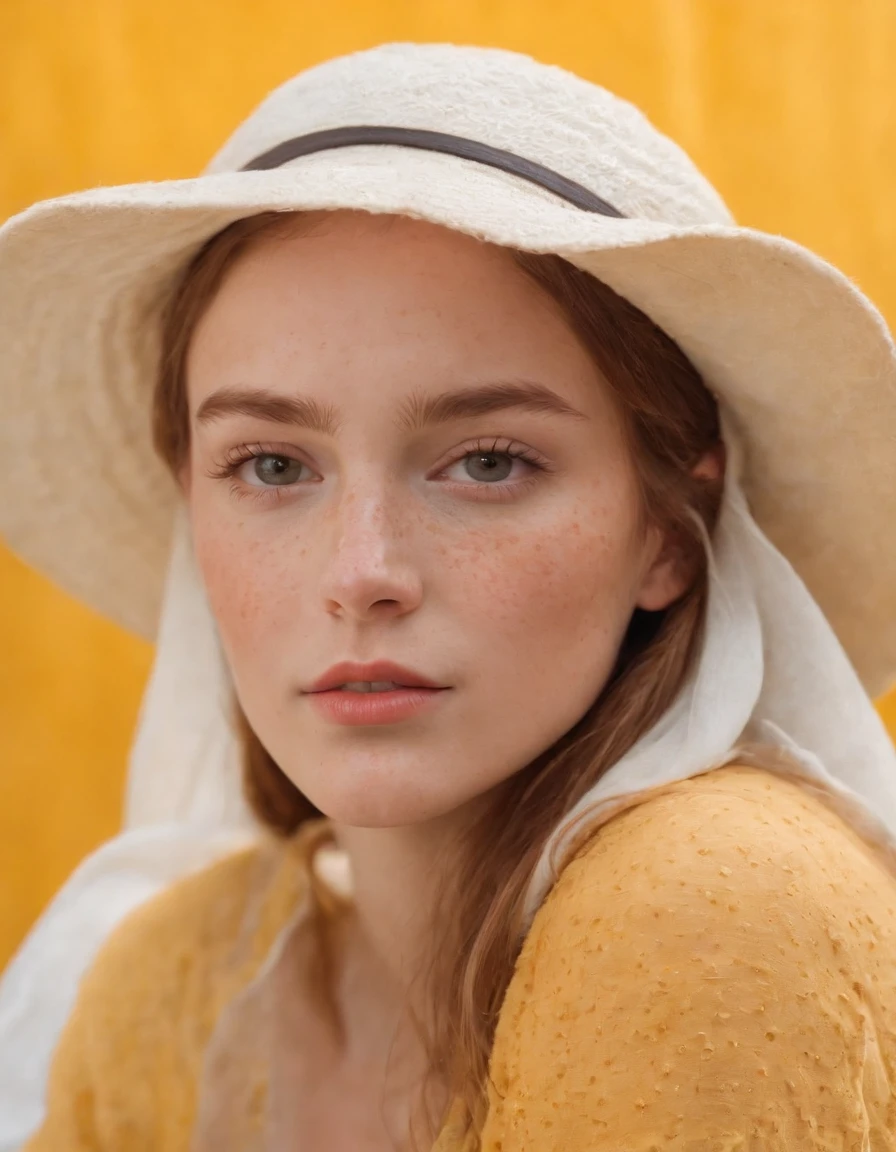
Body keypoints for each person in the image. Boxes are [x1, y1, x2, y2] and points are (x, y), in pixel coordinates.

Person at [1, 40, 896, 1152]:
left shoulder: (714, 910)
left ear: (670, 530)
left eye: (486, 461)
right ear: (193, 501)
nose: (361, 573)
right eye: (273, 466)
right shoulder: (179, 986)